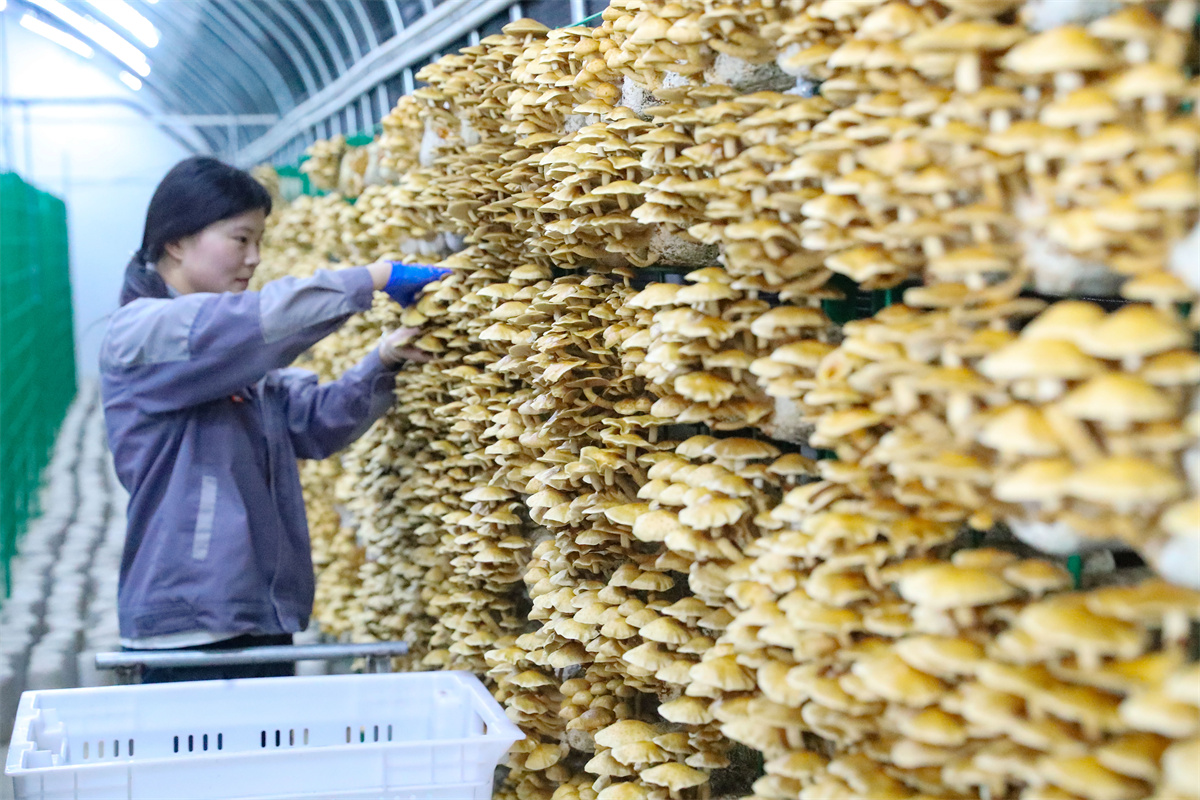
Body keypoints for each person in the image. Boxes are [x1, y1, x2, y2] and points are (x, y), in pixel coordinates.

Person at [100, 156, 446, 683]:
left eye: (259, 241)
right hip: (190, 623)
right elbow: (256, 321)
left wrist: (383, 363)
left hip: (255, 610)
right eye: (240, 239)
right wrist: (371, 278)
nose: (255, 258)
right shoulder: (142, 333)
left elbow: (313, 423)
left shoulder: (229, 353)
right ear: (176, 241)